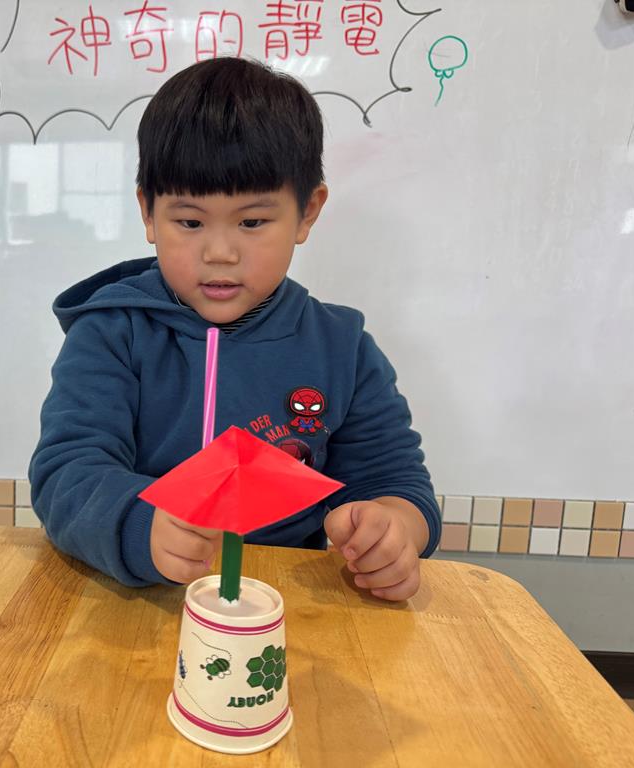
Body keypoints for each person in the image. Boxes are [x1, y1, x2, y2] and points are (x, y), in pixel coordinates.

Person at [29, 57, 440, 602]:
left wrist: (393, 529)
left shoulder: (342, 349)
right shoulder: (111, 333)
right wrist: (140, 525)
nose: (219, 252)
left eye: (252, 222)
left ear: (308, 212)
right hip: (134, 601)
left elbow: (393, 482)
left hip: (284, 604)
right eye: (189, 222)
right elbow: (67, 474)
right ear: (148, 212)